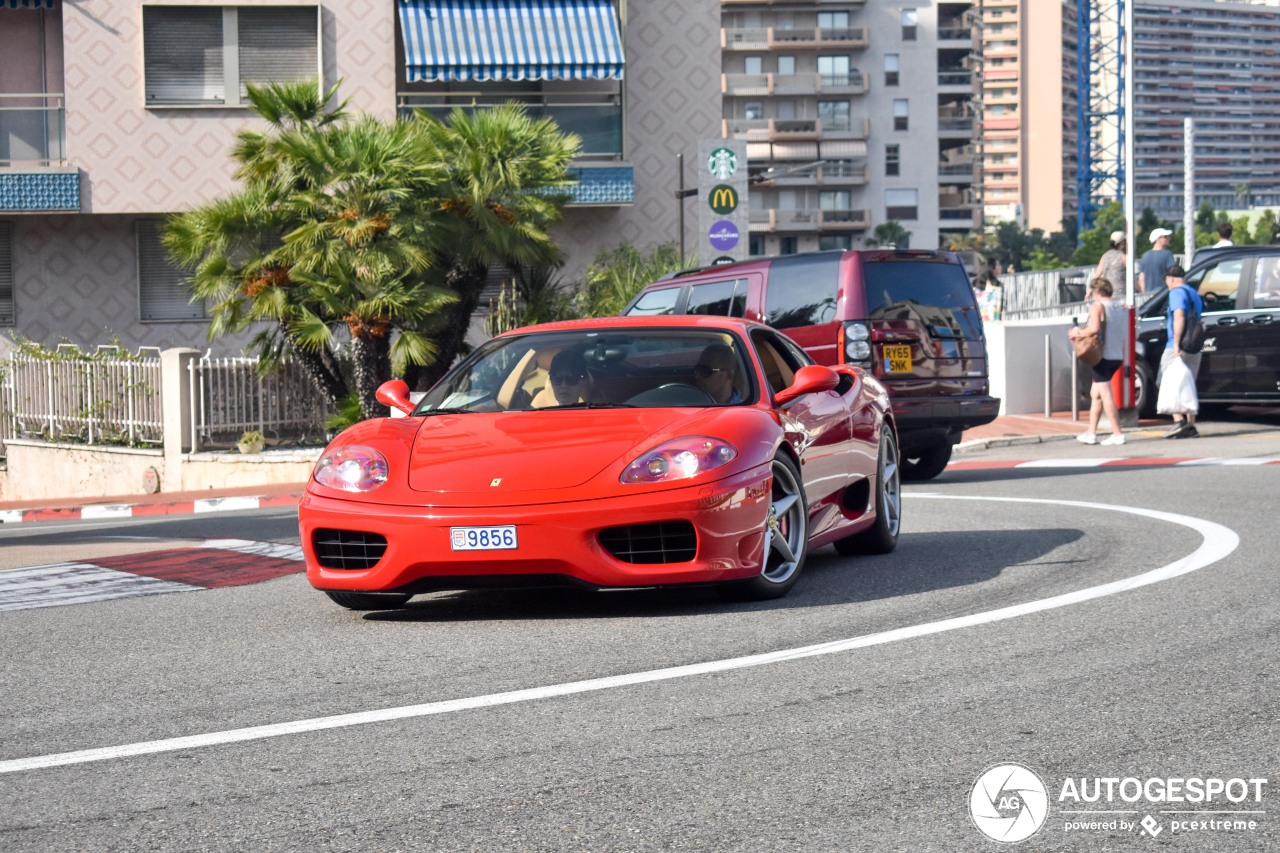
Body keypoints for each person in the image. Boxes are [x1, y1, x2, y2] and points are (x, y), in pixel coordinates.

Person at [1069, 277, 1130, 446]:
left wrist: (1077, 333)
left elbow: (1094, 328)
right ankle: (1091, 432)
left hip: (1101, 357)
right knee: (1095, 394)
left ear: (1096, 292)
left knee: (1105, 394)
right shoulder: (1119, 307)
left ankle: (1117, 433)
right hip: (1117, 355)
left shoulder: (1097, 306)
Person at [1161, 264, 1204, 439]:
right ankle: (1191, 425)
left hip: (1177, 344)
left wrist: (1176, 344)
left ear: (1170, 279)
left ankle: (1179, 421)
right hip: (1195, 344)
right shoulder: (1193, 293)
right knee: (1189, 385)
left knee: (1164, 380)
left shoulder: (1176, 292)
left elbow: (1179, 316)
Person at [1137, 227, 1176, 294]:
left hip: (1149, 296)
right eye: (1166, 237)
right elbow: (1173, 275)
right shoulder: (1168, 255)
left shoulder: (1145, 256)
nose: (1169, 238)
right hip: (1163, 294)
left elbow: (1141, 278)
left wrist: (1144, 293)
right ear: (1158, 239)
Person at [1094, 231, 1126, 297]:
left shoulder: (1105, 256)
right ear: (1122, 242)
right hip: (1121, 294)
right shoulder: (1123, 257)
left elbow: (1097, 275)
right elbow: (1132, 277)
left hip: (1107, 294)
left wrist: (1089, 291)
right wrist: (1142, 290)